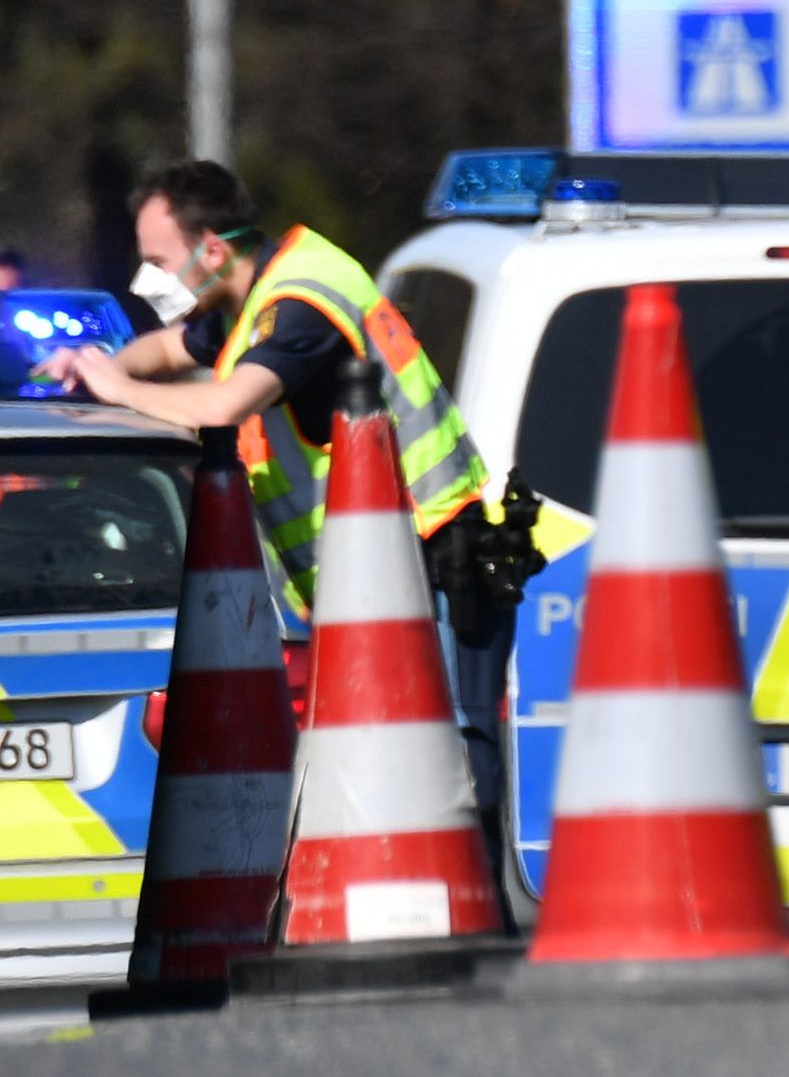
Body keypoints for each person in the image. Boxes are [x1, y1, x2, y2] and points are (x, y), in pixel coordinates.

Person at [39, 162, 508, 837]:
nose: (150, 280)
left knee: (445, 762)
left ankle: (471, 919)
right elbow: (171, 347)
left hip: (430, 562)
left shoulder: (302, 307)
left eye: (157, 261)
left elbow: (227, 402)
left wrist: (119, 391)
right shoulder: (253, 303)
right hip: (380, 575)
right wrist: (90, 362)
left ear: (211, 251)